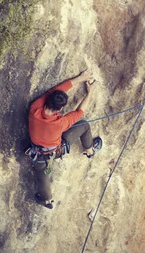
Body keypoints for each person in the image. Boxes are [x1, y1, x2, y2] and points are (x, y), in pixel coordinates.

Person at [28, 69, 100, 209]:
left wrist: (80, 77)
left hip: (38, 154)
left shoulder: (34, 108)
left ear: (47, 100)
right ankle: (89, 150)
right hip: (55, 151)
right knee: (84, 125)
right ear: (60, 109)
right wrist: (90, 92)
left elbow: (56, 89)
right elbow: (80, 111)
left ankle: (47, 200)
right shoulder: (60, 123)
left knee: (42, 171)